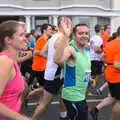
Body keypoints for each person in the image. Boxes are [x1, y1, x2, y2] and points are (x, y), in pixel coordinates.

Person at [54, 22, 96, 120]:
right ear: (74, 35)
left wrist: (89, 80)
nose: (84, 36)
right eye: (80, 33)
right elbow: (57, 60)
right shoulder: (70, 49)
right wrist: (65, 36)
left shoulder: (85, 51)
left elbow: (82, 71)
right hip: (72, 96)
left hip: (81, 96)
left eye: (86, 33)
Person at [32, 17, 71, 120]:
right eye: (69, 24)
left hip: (52, 72)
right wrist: (69, 67)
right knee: (45, 104)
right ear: (63, 25)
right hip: (56, 74)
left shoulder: (53, 37)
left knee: (64, 97)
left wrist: (50, 59)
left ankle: (63, 117)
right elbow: (58, 60)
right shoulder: (62, 38)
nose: (70, 27)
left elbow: (43, 53)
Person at [0, 20, 30, 120]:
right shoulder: (5, 61)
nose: (26, 39)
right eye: (21, 35)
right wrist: (21, 118)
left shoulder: (12, 60)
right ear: (8, 39)